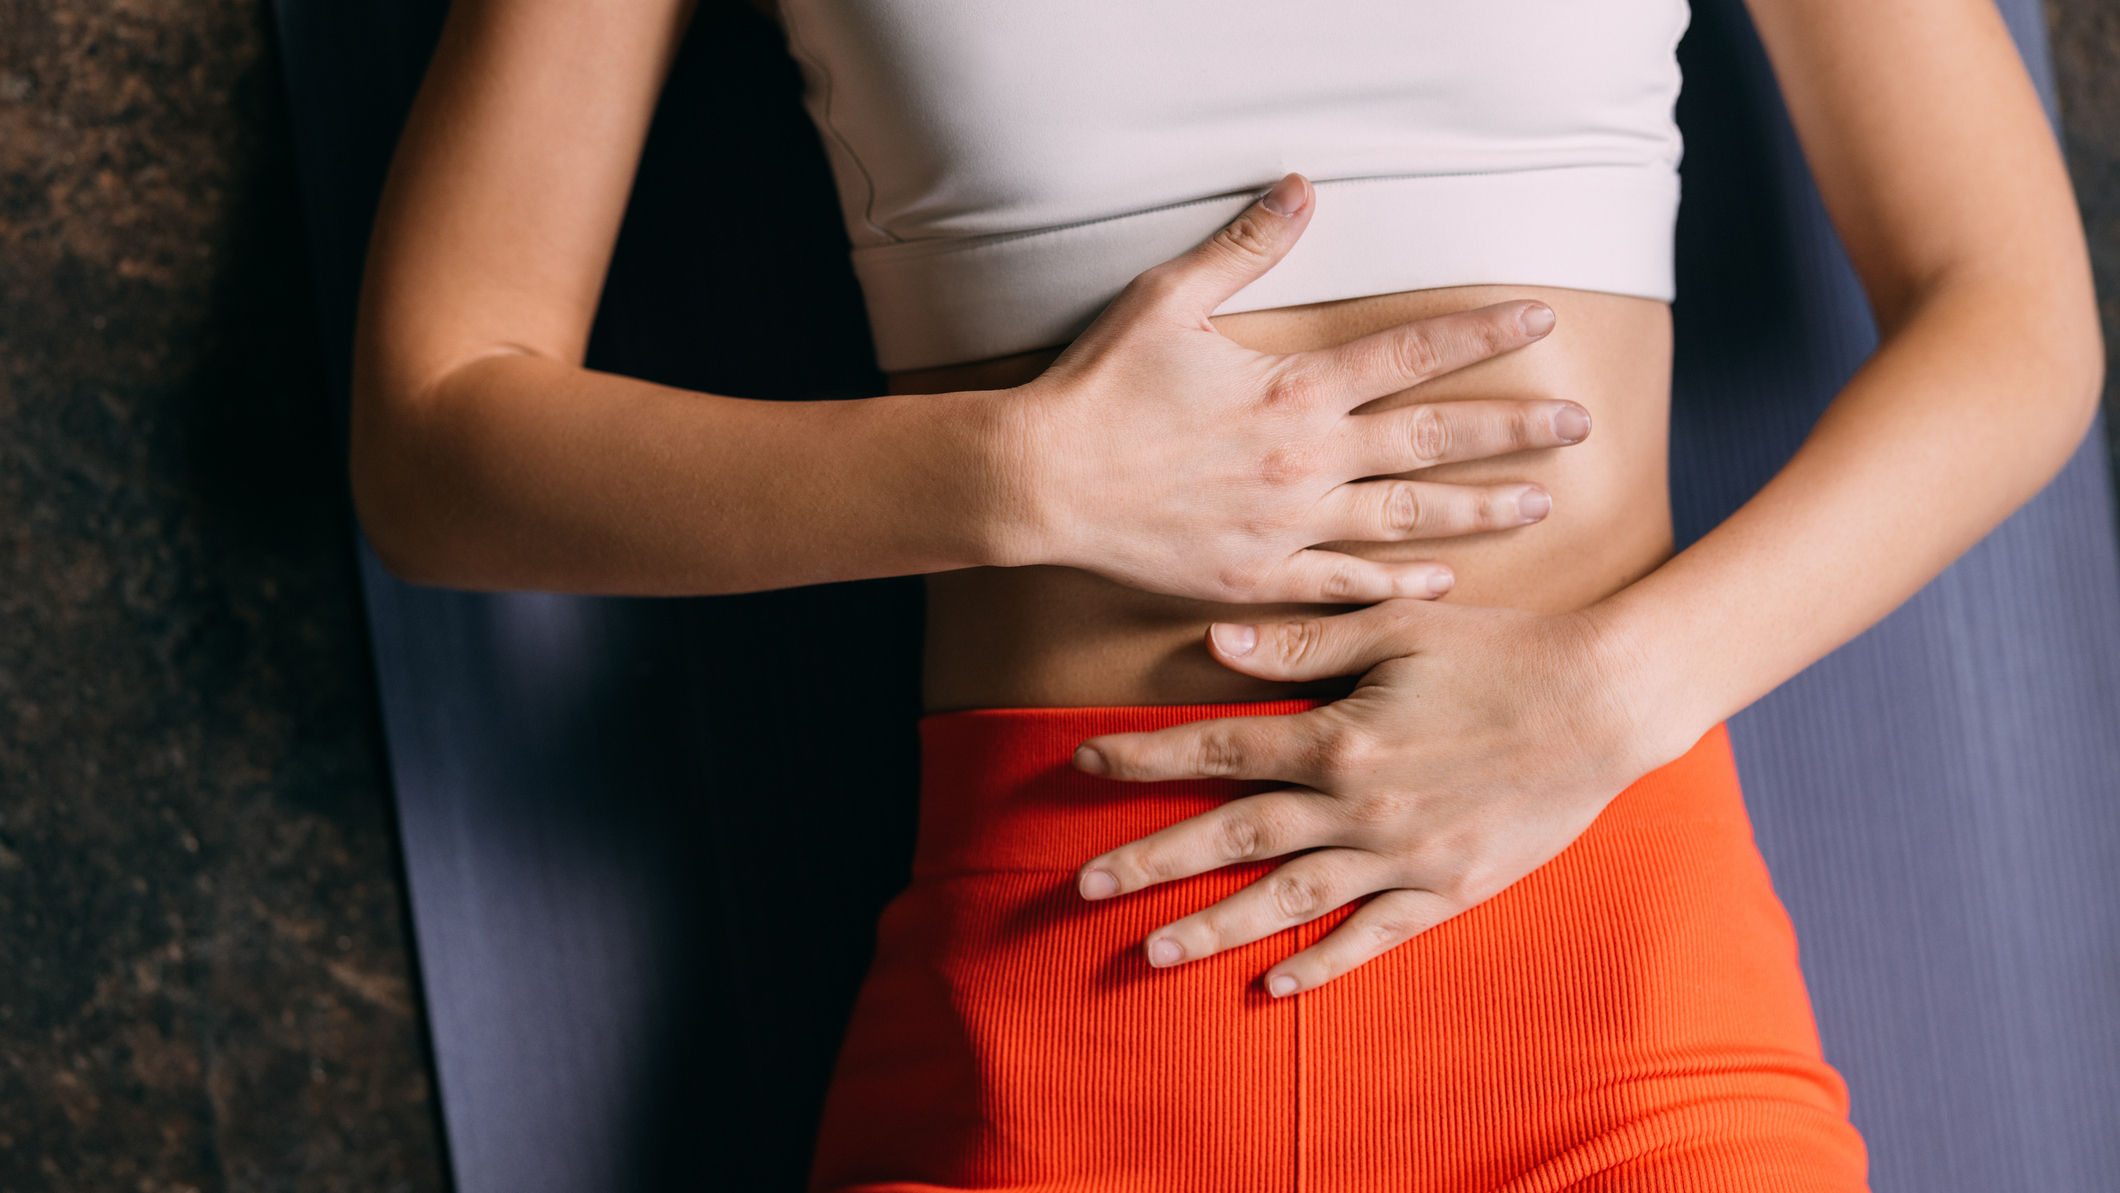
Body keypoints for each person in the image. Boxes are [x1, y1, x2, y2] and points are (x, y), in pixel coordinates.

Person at [349, 0, 2100, 1187]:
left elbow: (2012, 317)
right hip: (1050, 1019)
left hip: (1610, 994)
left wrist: (1616, 695)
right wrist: (1025, 472)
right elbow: (435, 439)